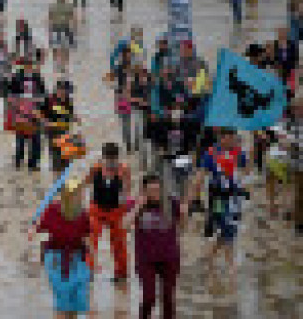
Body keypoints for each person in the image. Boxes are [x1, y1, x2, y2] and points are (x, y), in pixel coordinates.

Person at [124, 174, 189, 319]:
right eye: (151, 191)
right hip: (146, 259)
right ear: (144, 191)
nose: (155, 194)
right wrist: (137, 208)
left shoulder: (171, 203)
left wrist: (184, 215)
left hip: (169, 257)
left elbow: (183, 228)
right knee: (149, 298)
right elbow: (125, 225)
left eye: (158, 190)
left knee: (168, 299)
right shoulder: (137, 204)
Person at [192, 128, 250, 290]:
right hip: (217, 197)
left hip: (235, 197)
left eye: (234, 138)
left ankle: (210, 255)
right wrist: (195, 196)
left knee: (230, 228)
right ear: (221, 138)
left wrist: (247, 160)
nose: (232, 140)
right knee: (225, 226)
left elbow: (246, 171)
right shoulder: (210, 153)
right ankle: (230, 265)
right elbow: (200, 174)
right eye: (230, 137)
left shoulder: (239, 153)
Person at [27, 177, 92, 318]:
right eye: (76, 194)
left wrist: (93, 259)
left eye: (80, 193)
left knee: (77, 297)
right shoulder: (52, 210)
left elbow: (87, 237)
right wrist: (32, 230)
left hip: (77, 257)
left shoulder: (83, 214)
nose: (80, 197)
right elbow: (38, 226)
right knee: (62, 296)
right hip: (55, 257)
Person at [83, 143, 131, 284]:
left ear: (117, 158)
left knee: (119, 243)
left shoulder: (124, 170)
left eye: (113, 158)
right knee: (91, 240)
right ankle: (88, 271)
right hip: (96, 209)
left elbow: (127, 191)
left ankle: (121, 274)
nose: (110, 162)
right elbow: (86, 183)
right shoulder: (96, 168)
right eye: (108, 158)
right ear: (103, 157)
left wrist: (127, 211)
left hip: (116, 210)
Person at [9, 53, 47, 171]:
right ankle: (18, 161)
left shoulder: (37, 77)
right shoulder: (16, 77)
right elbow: (10, 94)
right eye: (26, 64)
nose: (29, 67)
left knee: (36, 139)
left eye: (30, 64)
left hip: (35, 111)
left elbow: (43, 93)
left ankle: (33, 163)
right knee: (20, 139)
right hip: (20, 111)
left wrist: (41, 108)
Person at [44, 80, 76, 173]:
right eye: (61, 90)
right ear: (57, 90)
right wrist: (45, 122)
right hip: (52, 130)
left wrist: (74, 118)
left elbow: (70, 114)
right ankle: (56, 173)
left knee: (65, 157)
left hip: (64, 130)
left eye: (65, 91)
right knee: (55, 154)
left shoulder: (68, 101)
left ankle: (63, 173)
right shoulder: (50, 100)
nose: (63, 93)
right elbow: (42, 113)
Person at [48, 0, 77, 74]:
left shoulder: (67, 7)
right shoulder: (54, 6)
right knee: (58, 48)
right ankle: (59, 65)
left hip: (63, 28)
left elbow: (73, 18)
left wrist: (74, 28)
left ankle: (62, 65)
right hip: (58, 28)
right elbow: (50, 18)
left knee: (63, 48)